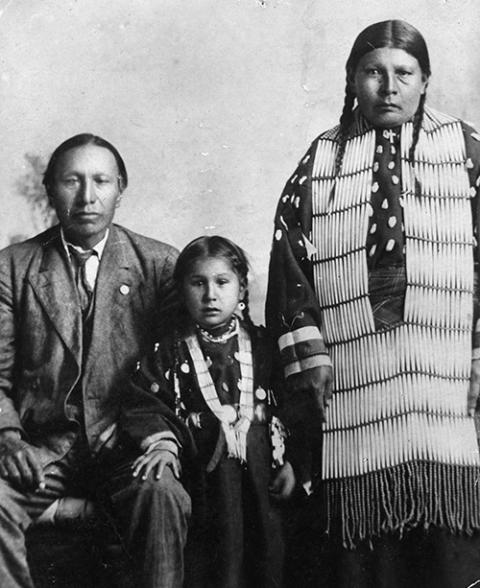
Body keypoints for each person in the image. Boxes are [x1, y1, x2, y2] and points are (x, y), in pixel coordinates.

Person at [266, 20, 480, 588]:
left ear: (425, 79)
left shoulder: (465, 152)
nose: (389, 87)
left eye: (403, 73)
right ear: (352, 80)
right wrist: (310, 356)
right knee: (367, 556)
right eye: (374, 72)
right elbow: (291, 266)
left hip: (449, 366)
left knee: (449, 537)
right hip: (354, 367)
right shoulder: (321, 162)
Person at [0, 133, 191, 588]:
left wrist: (159, 440)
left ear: (120, 189)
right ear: (50, 190)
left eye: (101, 181)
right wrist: (8, 438)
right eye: (72, 181)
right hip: (43, 447)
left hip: (128, 443)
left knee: (161, 492)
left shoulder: (160, 266)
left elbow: (176, 375)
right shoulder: (12, 268)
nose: (87, 196)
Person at [121, 236, 297, 588]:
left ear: (242, 287)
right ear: (182, 290)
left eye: (222, 282)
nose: (210, 295)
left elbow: (292, 407)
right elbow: (144, 402)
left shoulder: (265, 347)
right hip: (205, 480)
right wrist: (163, 444)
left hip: (264, 476)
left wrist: (293, 461)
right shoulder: (167, 350)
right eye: (198, 283)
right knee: (215, 561)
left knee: (269, 556)